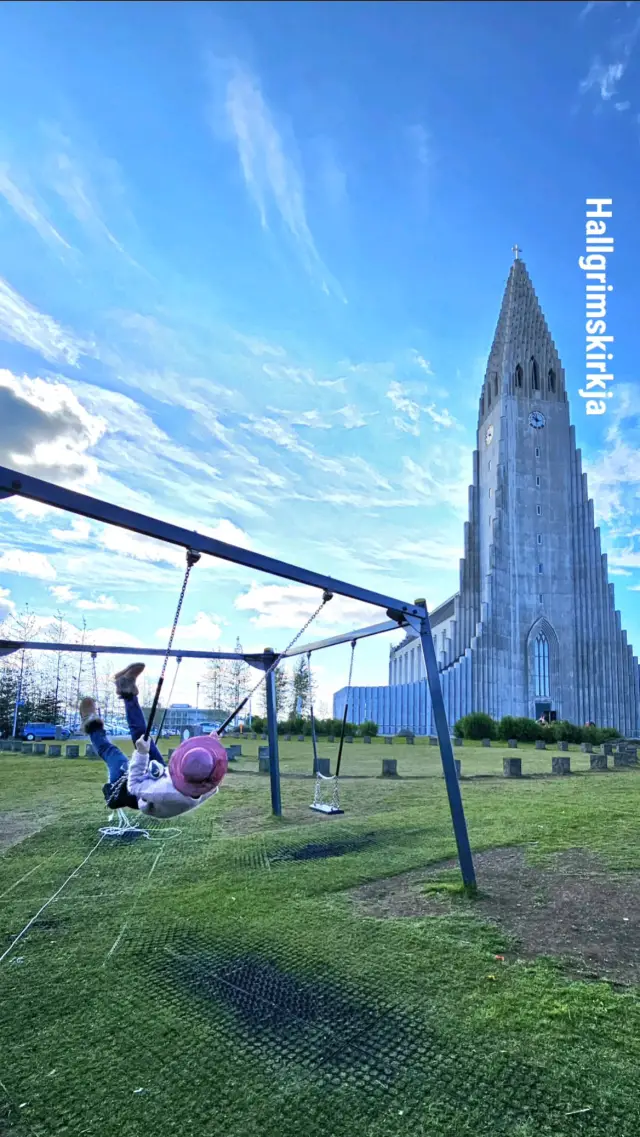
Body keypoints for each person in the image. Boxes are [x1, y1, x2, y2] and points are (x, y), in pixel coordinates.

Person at [79, 662, 227, 818]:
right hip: (163, 776)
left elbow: (135, 785)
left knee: (112, 753)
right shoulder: (209, 783)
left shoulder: (164, 792)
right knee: (143, 736)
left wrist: (142, 754)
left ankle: (92, 725)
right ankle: (126, 687)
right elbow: (210, 769)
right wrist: (211, 744)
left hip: (135, 795)